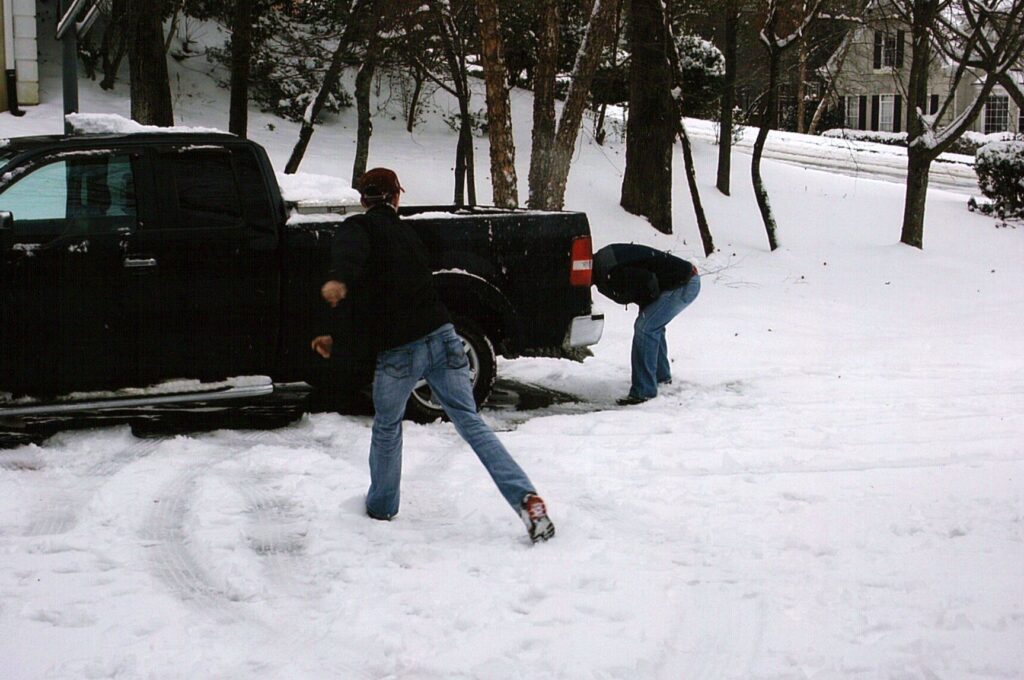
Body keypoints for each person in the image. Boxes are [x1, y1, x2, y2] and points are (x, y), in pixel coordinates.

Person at [310, 168, 555, 543]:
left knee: (388, 426)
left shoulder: (357, 227)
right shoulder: (408, 234)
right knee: (471, 423)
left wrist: (339, 283)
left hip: (401, 351)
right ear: (395, 197)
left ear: (362, 199)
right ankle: (527, 500)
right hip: (443, 338)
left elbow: (353, 264)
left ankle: (381, 506)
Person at [592, 243, 701, 406]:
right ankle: (660, 377)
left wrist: (643, 302)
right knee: (651, 325)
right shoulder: (603, 261)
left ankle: (644, 392)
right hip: (678, 279)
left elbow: (647, 281)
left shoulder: (610, 270)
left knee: (646, 328)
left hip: (684, 283)